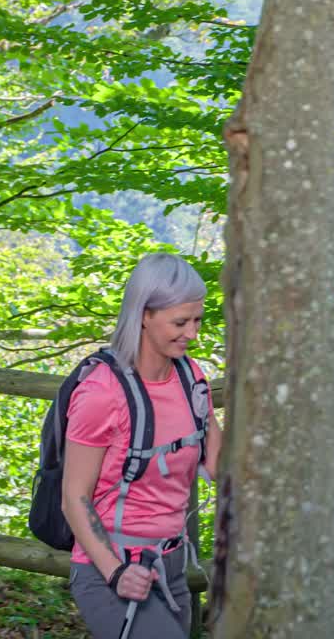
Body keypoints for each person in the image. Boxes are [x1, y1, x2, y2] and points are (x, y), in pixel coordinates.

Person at [62, 252, 223, 638]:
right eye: (180, 322)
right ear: (144, 315)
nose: (193, 333)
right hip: (111, 569)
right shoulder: (102, 392)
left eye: (197, 320)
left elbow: (219, 465)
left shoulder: (191, 376)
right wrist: (115, 572)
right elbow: (73, 498)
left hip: (171, 567)